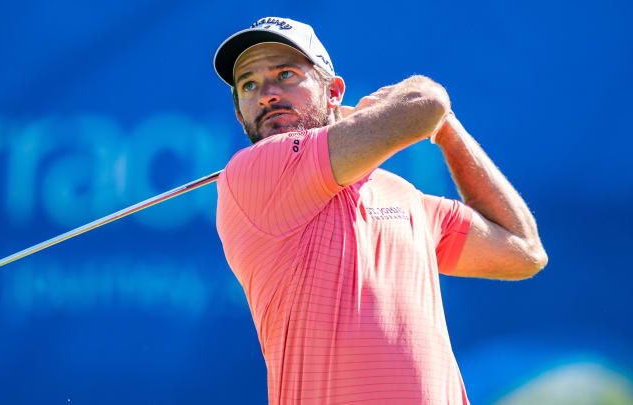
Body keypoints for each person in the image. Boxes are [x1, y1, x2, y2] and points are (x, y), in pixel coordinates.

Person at [213, 17, 547, 405]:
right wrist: (430, 104)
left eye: (286, 74)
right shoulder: (252, 172)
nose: (267, 94)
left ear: (333, 92)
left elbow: (523, 250)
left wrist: (447, 130)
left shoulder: (403, 195)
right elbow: (425, 103)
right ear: (240, 115)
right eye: (249, 84)